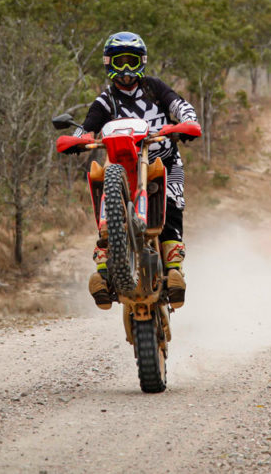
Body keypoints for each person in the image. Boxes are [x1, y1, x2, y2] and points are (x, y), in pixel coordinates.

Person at [74, 31, 199, 310]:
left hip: (163, 162)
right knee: (102, 191)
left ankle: (174, 267)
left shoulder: (155, 87)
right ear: (109, 64)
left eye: (132, 61)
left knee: (171, 202)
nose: (127, 69)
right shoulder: (107, 100)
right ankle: (104, 273)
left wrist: (188, 122)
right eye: (120, 62)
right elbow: (88, 125)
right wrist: (78, 138)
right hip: (122, 166)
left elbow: (179, 104)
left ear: (141, 61)